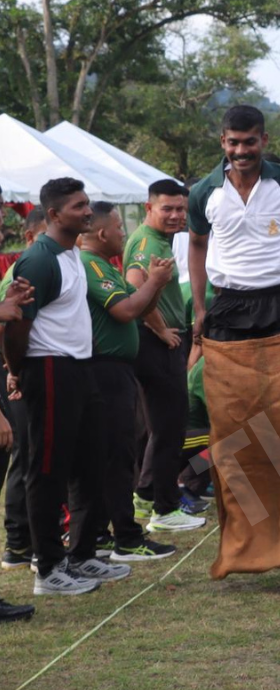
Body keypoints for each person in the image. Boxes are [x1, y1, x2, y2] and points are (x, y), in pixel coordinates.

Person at [187, 104, 280, 579]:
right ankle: (242, 548)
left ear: (263, 140)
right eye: (232, 143)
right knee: (233, 435)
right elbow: (196, 244)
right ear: (222, 143)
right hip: (228, 309)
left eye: (249, 142)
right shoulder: (204, 192)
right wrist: (198, 304)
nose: (241, 151)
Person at [5, 178, 130, 595]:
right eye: (77, 207)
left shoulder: (72, 253)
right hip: (50, 369)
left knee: (91, 461)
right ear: (54, 215)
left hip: (80, 368)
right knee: (48, 469)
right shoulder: (39, 260)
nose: (87, 211)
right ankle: (48, 569)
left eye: (86, 204)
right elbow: (18, 323)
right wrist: (17, 369)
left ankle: (82, 554)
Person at [81, 202, 180, 562]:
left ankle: (105, 532)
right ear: (104, 233)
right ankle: (125, 537)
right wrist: (153, 281)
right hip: (104, 371)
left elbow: (135, 305)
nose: (125, 234)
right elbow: (123, 311)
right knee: (117, 456)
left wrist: (156, 284)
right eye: (120, 228)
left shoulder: (106, 265)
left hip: (116, 370)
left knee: (118, 453)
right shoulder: (91, 264)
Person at [125, 179, 208, 531]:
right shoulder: (146, 242)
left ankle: (146, 496)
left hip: (164, 339)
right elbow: (132, 284)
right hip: (157, 340)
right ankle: (165, 508)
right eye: (167, 209)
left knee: (162, 427)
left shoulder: (162, 239)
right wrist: (159, 328)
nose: (176, 216)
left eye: (180, 209)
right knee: (169, 428)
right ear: (149, 208)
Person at [1, 208, 46, 574]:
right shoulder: (22, 272)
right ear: (31, 238)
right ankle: (17, 542)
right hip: (14, 380)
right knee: (24, 457)